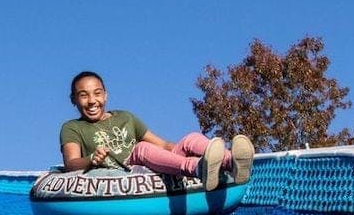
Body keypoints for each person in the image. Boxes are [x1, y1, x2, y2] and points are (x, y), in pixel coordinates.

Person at [60, 71, 254, 190]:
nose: (92, 101)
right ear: (73, 100)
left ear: (106, 95)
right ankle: (198, 169)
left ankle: (231, 161)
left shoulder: (125, 117)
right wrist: (92, 159)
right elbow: (71, 163)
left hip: (155, 163)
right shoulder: (73, 128)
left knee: (191, 138)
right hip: (128, 170)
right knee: (141, 149)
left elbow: (162, 145)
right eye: (83, 96)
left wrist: (184, 146)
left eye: (97, 93)